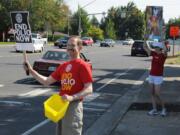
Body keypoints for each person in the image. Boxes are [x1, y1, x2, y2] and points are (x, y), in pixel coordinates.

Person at [23, 36, 93, 135]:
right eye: (68, 45)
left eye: (72, 45)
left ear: (80, 48)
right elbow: (46, 81)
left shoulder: (83, 65)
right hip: (61, 105)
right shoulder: (63, 66)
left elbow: (89, 89)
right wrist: (31, 70)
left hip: (73, 106)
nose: (69, 48)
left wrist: (72, 97)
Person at [143, 40, 167, 117]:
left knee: (157, 94)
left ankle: (164, 109)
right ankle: (154, 109)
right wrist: (145, 40)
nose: (155, 48)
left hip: (158, 77)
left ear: (160, 48)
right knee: (152, 93)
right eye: (155, 47)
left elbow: (165, 50)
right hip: (151, 75)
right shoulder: (153, 53)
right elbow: (145, 47)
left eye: (156, 47)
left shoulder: (163, 55)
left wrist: (163, 42)